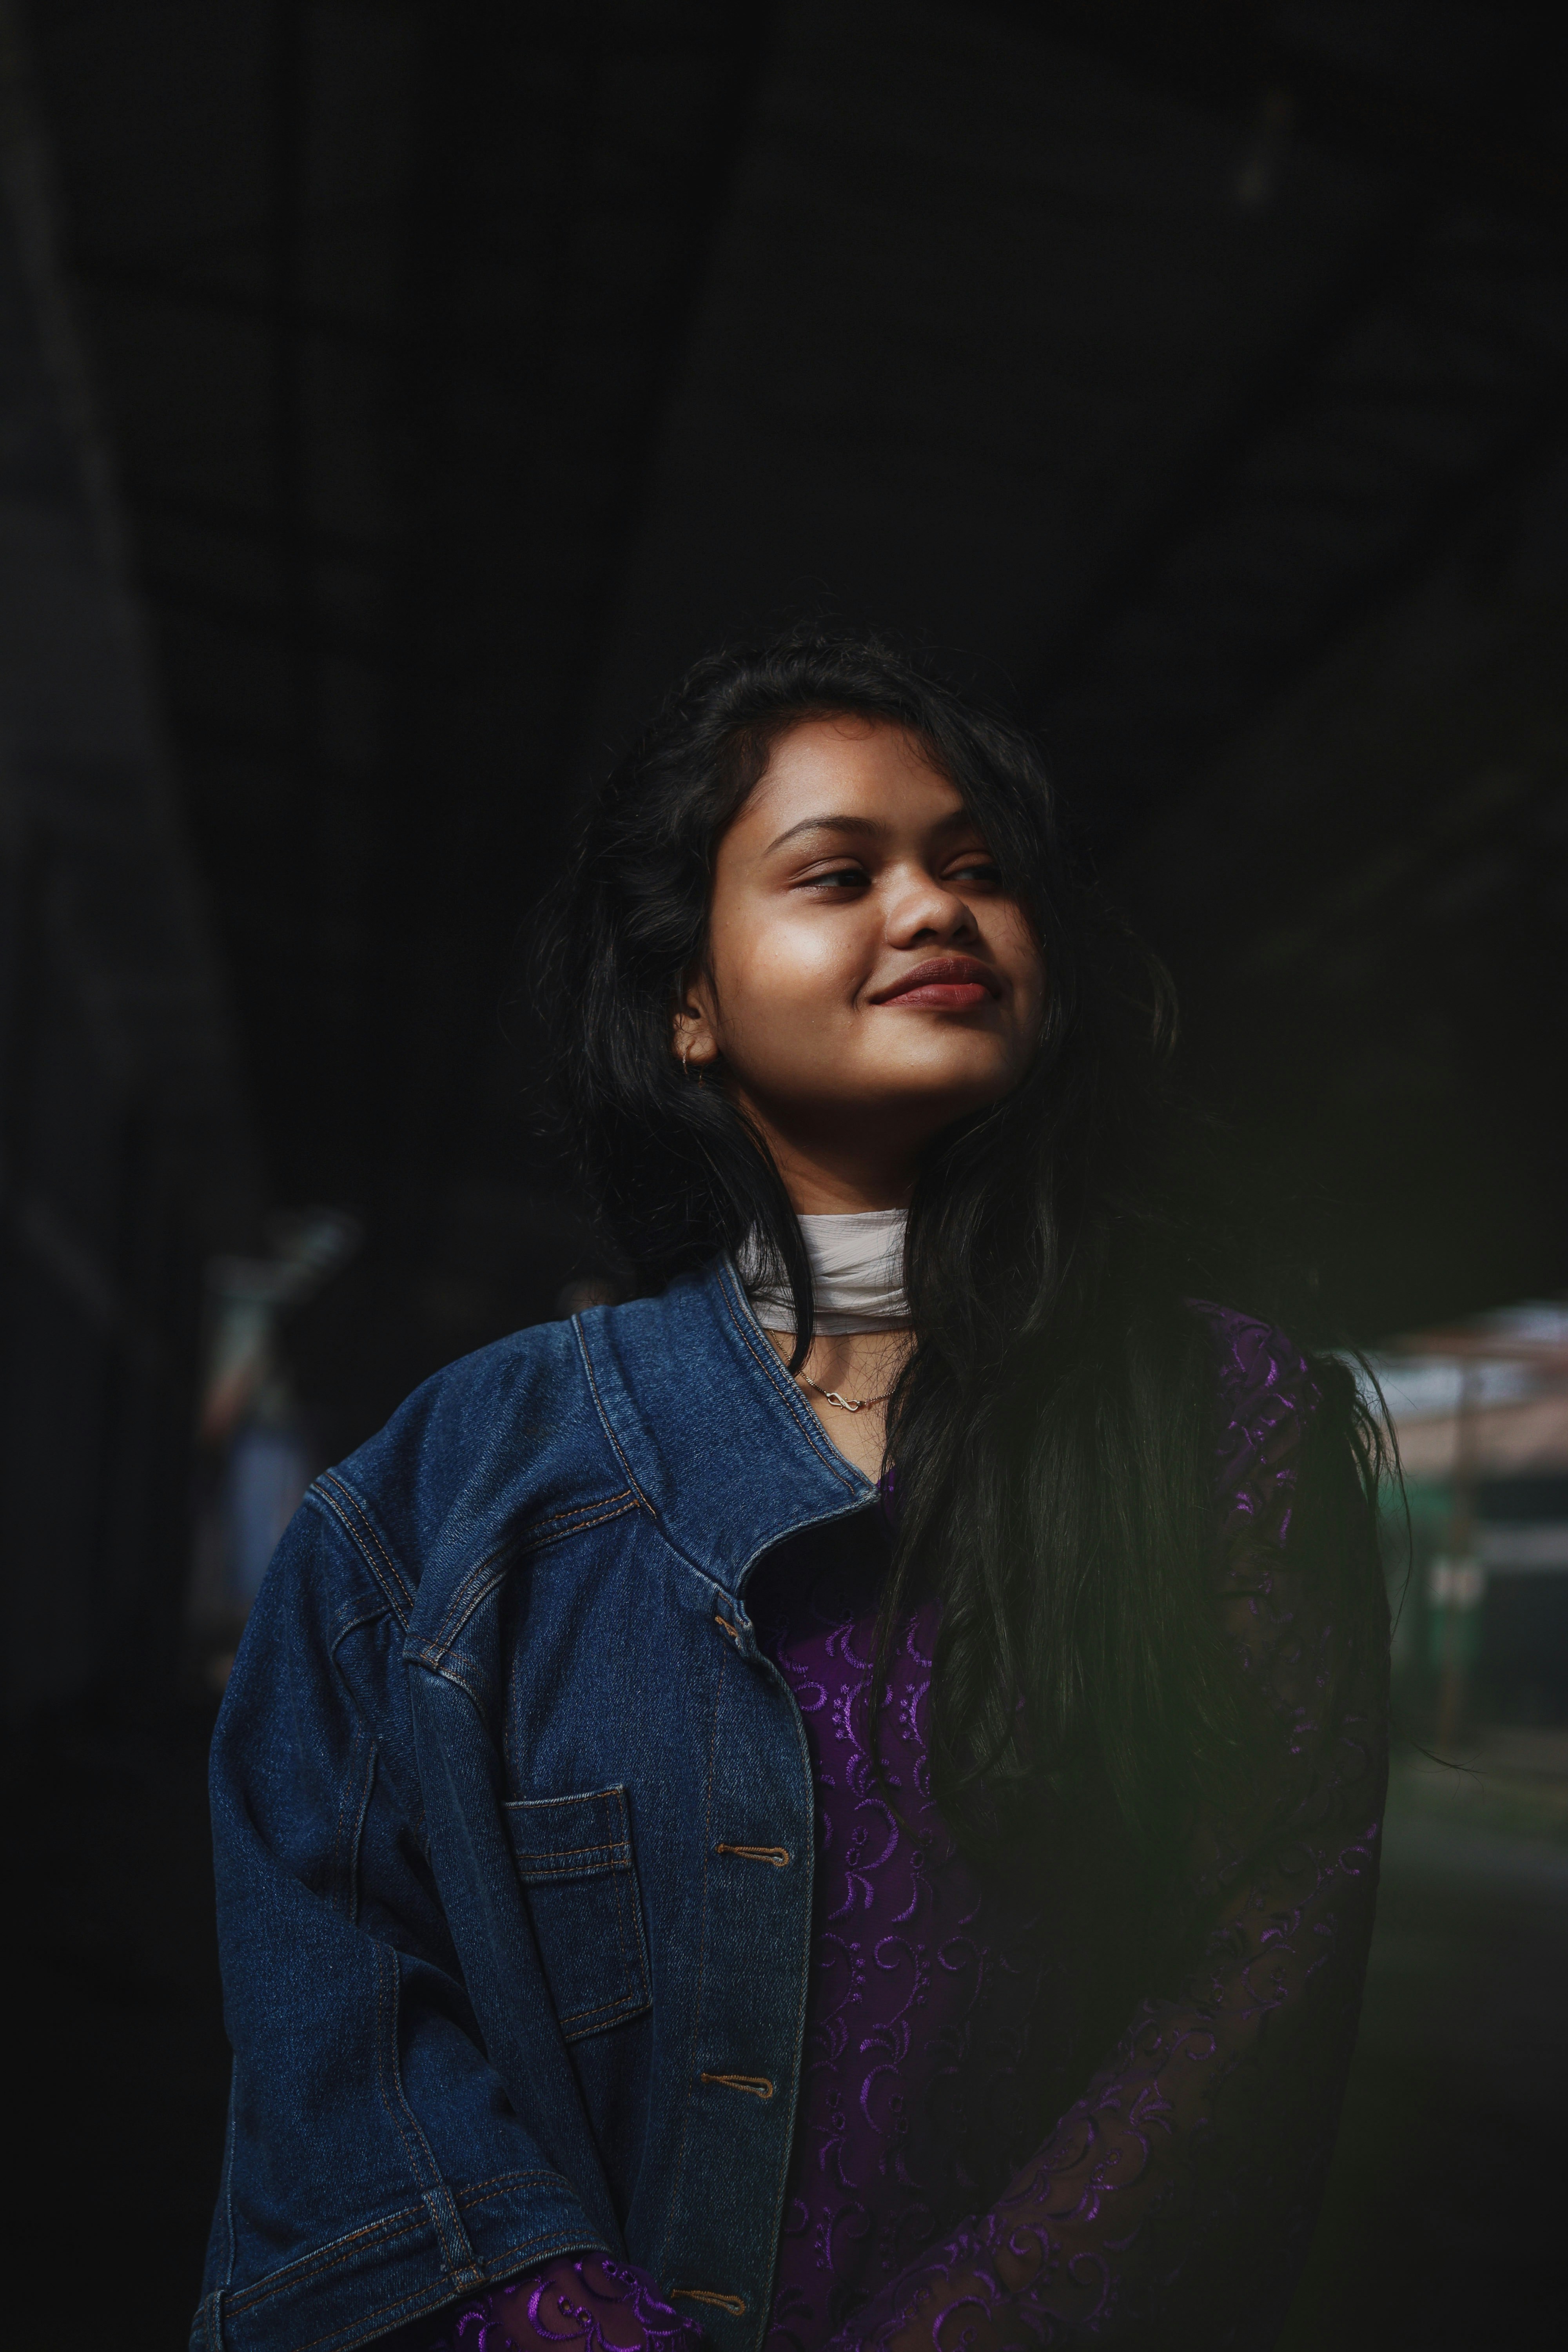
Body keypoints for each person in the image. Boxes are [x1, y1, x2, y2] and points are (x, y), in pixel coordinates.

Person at [195, 632, 1390, 2352]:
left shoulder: (1223, 1421)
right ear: (688, 1001)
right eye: (841, 874)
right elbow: (339, 2004)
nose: (935, 908)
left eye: (979, 869)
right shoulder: (452, 1482)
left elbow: (1269, 1948)